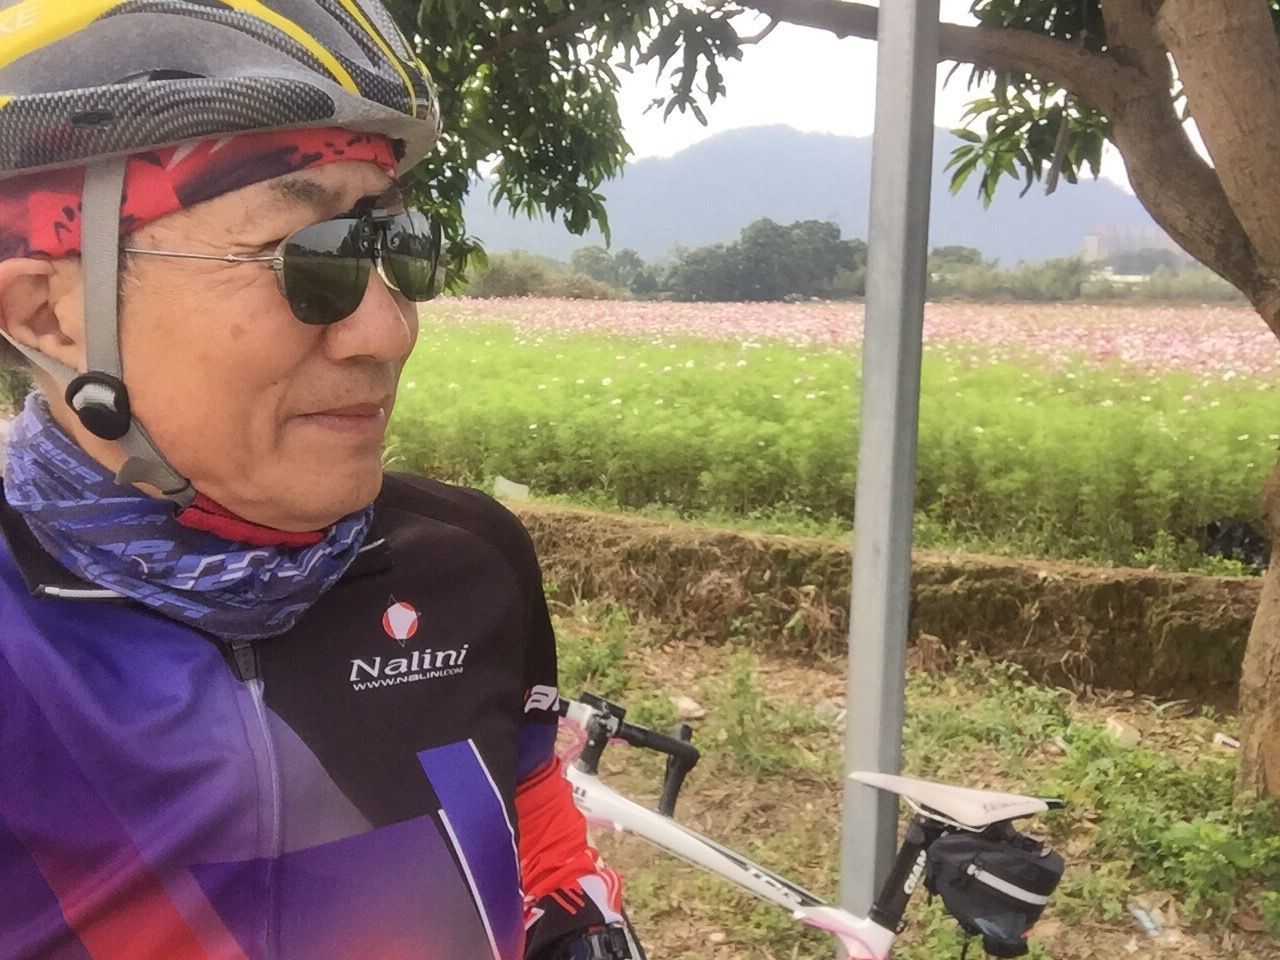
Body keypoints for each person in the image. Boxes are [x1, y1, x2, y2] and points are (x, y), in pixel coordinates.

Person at [0, 3, 644, 959]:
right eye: (308, 257)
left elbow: (529, 821)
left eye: (397, 246)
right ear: (50, 314)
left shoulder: (467, 564)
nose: (389, 332)